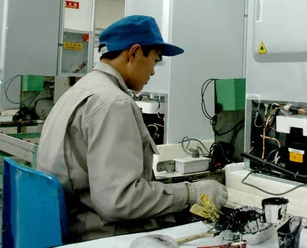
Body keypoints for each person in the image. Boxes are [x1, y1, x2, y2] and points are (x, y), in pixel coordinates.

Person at [37, 15, 228, 242]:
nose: (154, 71)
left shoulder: (81, 89)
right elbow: (119, 201)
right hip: (99, 234)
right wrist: (193, 193)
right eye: (155, 59)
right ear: (134, 52)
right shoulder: (113, 103)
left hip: (68, 224)